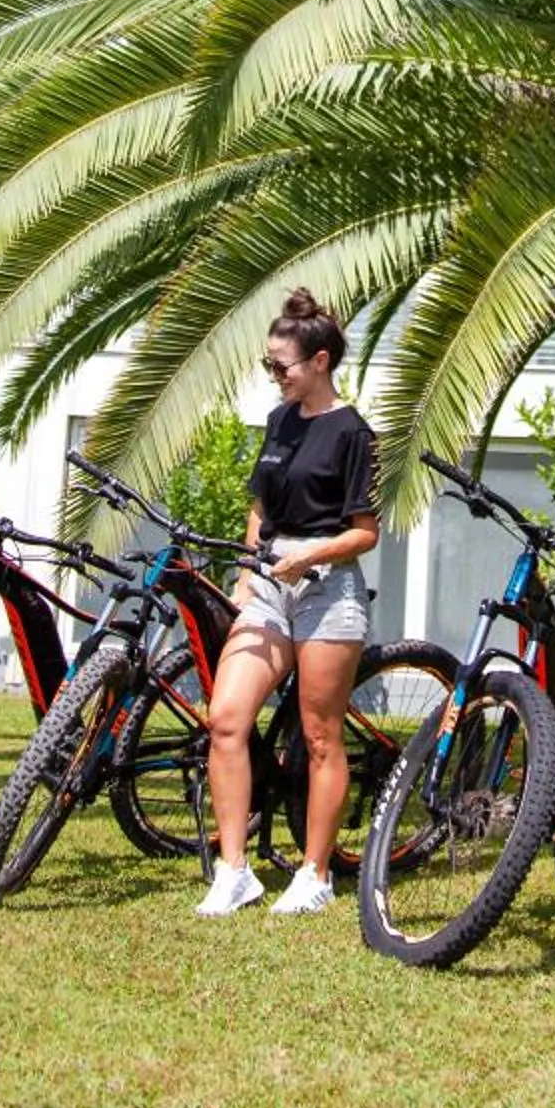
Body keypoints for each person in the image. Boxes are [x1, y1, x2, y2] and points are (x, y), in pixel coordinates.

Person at [195, 286, 380, 917]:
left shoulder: (354, 433)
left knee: (319, 735)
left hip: (329, 589)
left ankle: (315, 872)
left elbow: (366, 532)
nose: (274, 375)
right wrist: (249, 571)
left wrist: (309, 555)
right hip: (270, 583)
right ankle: (235, 871)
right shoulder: (279, 422)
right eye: (269, 365)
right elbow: (260, 506)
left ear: (321, 361)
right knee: (225, 719)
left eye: (283, 366)